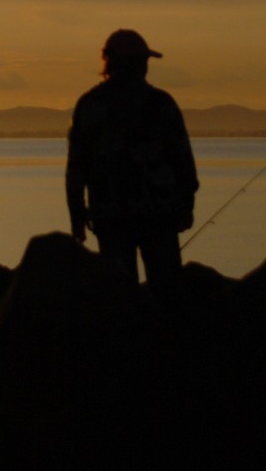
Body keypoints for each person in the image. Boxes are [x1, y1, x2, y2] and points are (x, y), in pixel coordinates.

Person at [66, 29, 198, 290]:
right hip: (158, 214)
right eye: (143, 61)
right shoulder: (160, 103)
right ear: (137, 64)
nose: (146, 66)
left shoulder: (90, 104)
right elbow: (182, 160)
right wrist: (186, 205)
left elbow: (76, 169)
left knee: (119, 294)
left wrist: (77, 216)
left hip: (110, 215)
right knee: (167, 290)